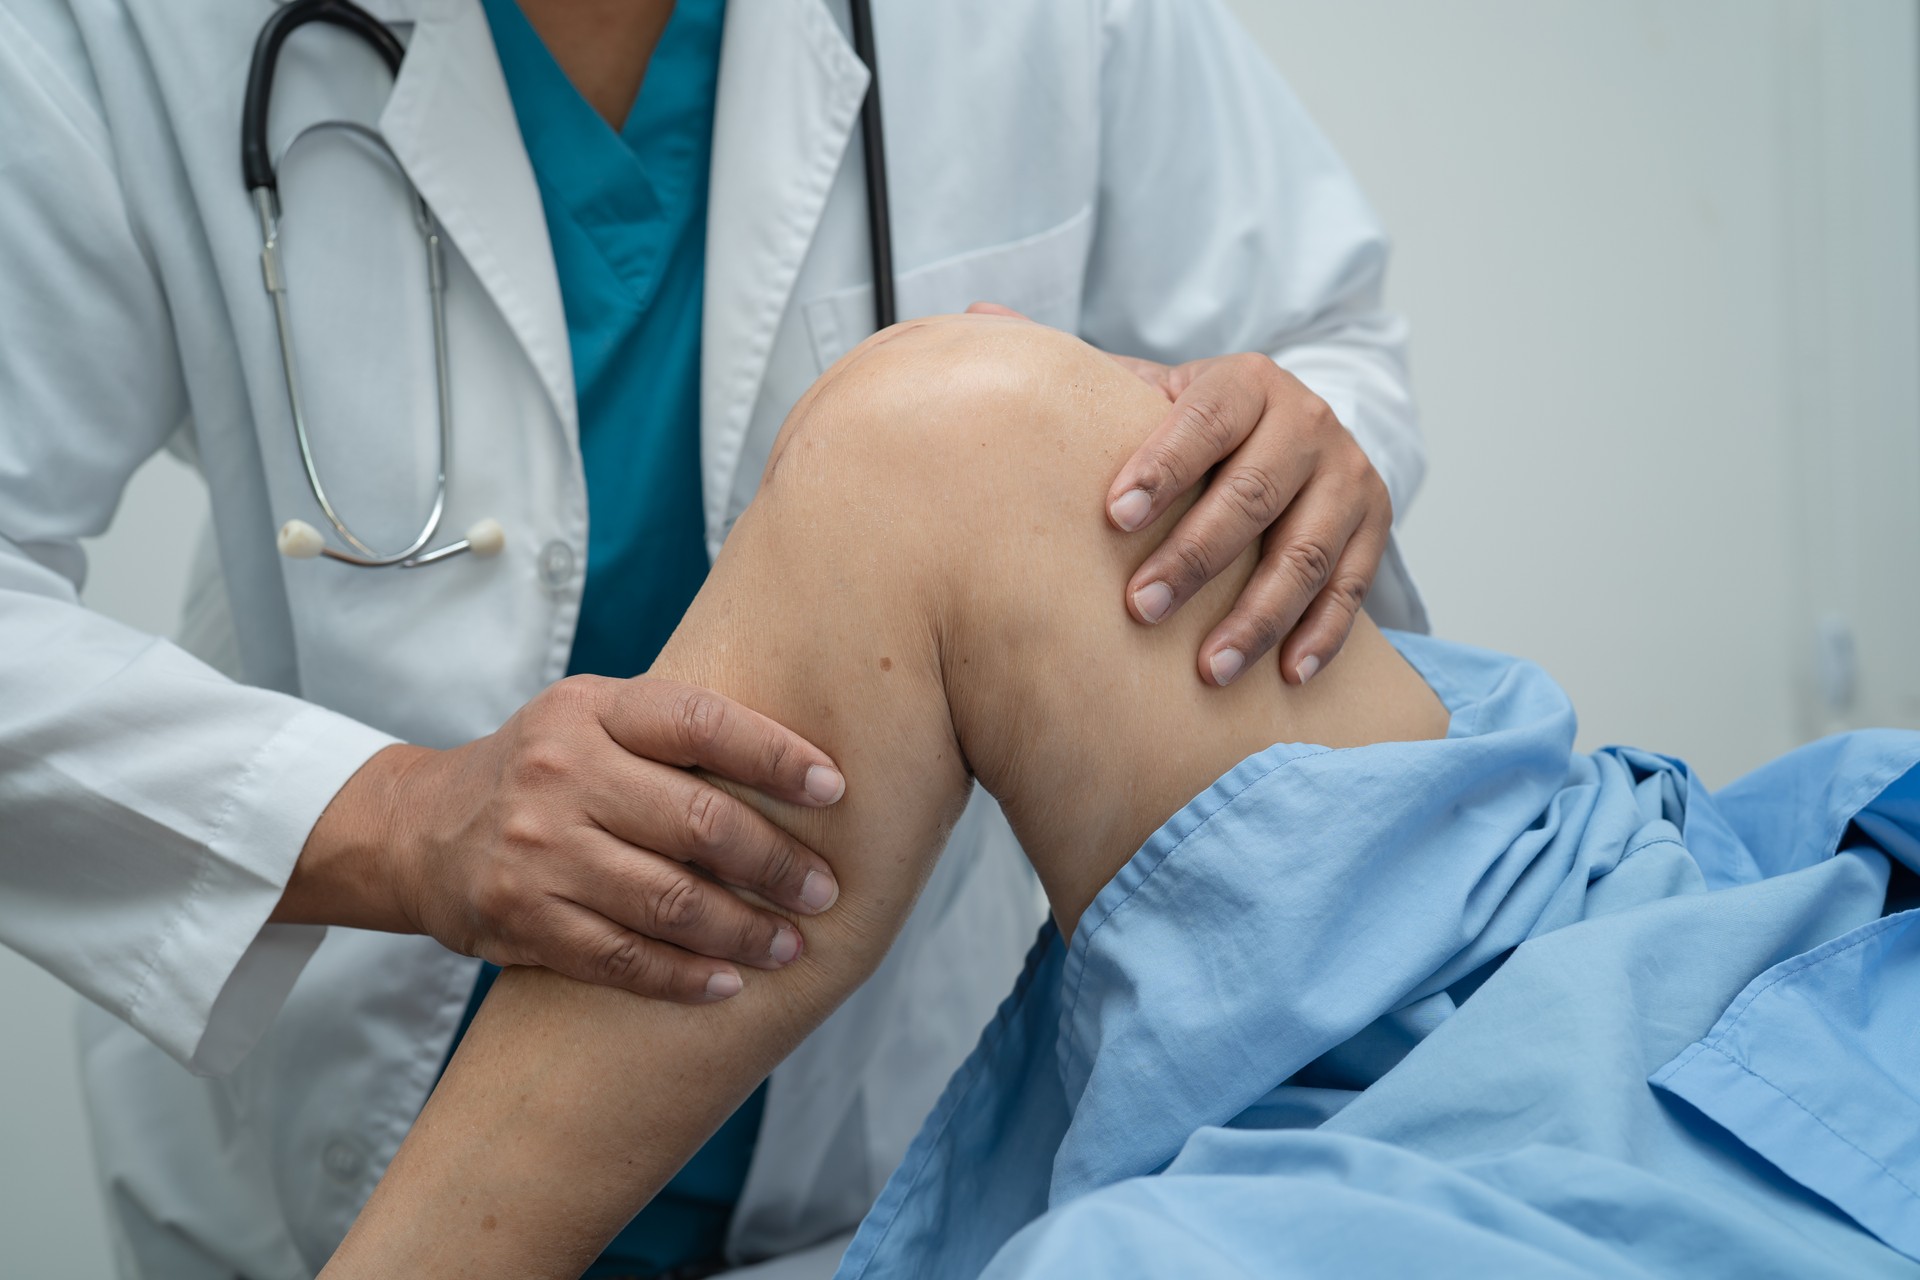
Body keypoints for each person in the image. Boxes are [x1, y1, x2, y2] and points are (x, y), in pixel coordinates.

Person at [1, 1, 1427, 1275]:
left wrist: (1273, 444)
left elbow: (1318, 342)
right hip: (320, 1149)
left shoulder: (1057, 28)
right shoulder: (119, 32)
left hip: (872, 1162)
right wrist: (393, 823)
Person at [317, 313, 1920, 1280]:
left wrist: (1316, 430)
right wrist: (388, 817)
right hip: (1767, 911)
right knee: (929, 450)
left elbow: (1331, 318)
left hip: (1840, 1115)